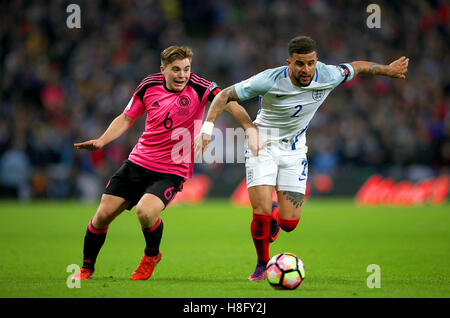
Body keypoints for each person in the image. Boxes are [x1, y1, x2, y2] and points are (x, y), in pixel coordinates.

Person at [194, 35, 409, 280]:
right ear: (289, 63)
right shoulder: (269, 79)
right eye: (299, 64)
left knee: (289, 224)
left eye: (311, 63)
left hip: (295, 151)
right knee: (260, 211)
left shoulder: (328, 74)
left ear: (316, 61)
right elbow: (223, 96)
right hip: (262, 143)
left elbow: (357, 67)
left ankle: (277, 215)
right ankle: (262, 264)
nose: (306, 69)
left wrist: (386, 70)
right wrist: (209, 130)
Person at [72, 45, 255, 281]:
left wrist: (249, 128)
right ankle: (87, 268)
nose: (182, 75)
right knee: (102, 215)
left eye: (186, 69)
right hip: (138, 162)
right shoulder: (149, 85)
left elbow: (228, 101)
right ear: (163, 70)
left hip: (171, 170)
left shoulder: (199, 86)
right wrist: (102, 140)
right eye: (176, 69)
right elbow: (127, 116)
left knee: (145, 212)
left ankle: (151, 255)